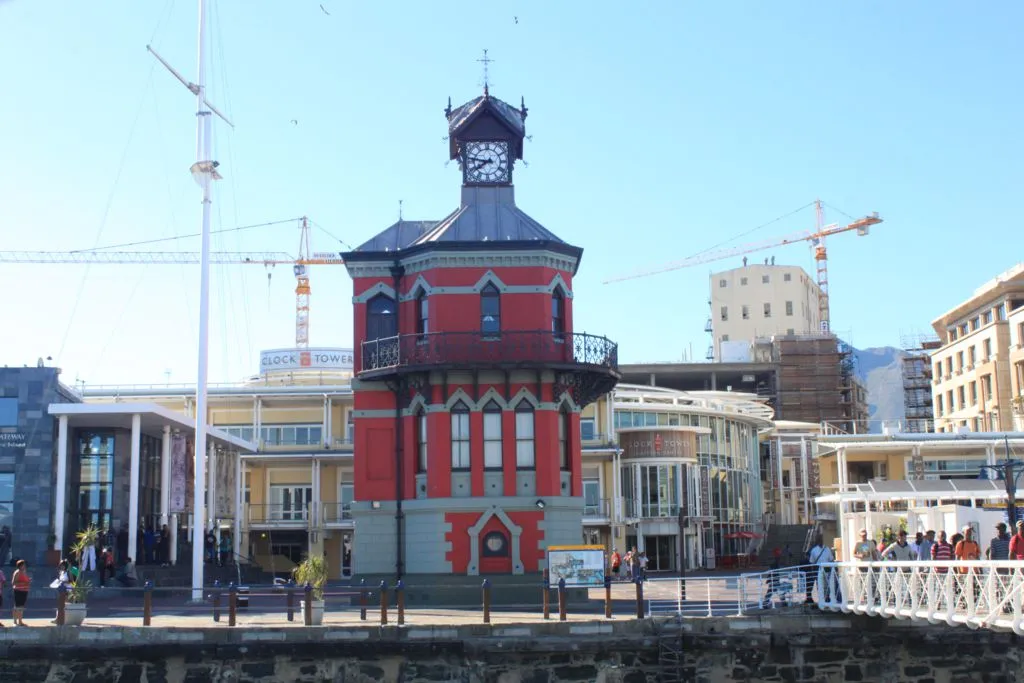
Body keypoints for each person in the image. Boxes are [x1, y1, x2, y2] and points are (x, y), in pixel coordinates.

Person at [11, 559, 30, 627]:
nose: (24, 566)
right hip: (18, 591)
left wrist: (28, 581)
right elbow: (13, 582)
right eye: (23, 564)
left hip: (25, 591)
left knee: (21, 606)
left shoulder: (24, 572)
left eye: (24, 564)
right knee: (17, 606)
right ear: (20, 565)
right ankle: (15, 622)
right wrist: (23, 583)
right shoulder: (17, 572)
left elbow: (26, 580)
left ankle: (20, 621)